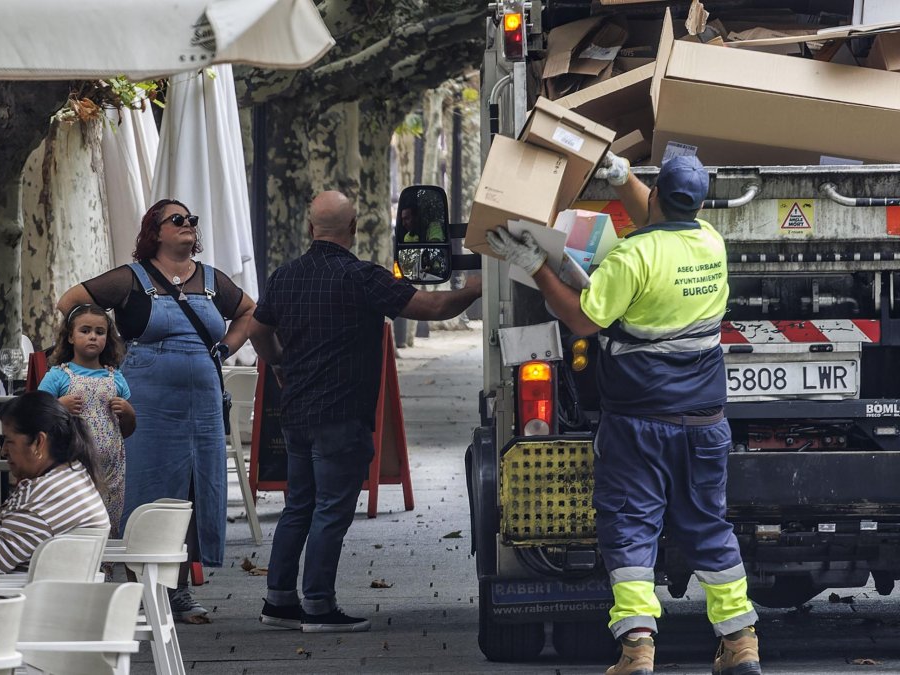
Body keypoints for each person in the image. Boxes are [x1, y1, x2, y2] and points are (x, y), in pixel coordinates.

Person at [486, 153, 760, 675]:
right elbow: (665, 213)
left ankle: (637, 649)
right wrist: (624, 178)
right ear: (698, 203)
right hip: (704, 420)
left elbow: (580, 318)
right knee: (708, 524)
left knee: (632, 528)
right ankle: (740, 641)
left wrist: (536, 265)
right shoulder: (710, 243)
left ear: (656, 198)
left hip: (639, 423)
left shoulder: (631, 258)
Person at [251, 190, 482, 633]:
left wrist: (279, 362)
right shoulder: (361, 277)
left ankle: (279, 601)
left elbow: (259, 330)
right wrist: (472, 290)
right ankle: (318, 605)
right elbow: (430, 307)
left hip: (296, 412)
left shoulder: (285, 276)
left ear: (309, 227)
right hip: (341, 414)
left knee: (298, 505)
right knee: (331, 511)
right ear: (354, 228)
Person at [56, 198, 263, 623]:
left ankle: (179, 591)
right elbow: (69, 302)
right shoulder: (130, 279)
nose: (188, 225)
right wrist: (101, 345)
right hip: (147, 401)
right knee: (146, 489)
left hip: (202, 403)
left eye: (191, 220)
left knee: (192, 491)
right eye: (177, 220)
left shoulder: (211, 281)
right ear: (156, 231)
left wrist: (225, 348)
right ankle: (138, 589)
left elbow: (249, 312)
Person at [0, 391, 110, 574]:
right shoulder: (73, 474)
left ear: (38, 442)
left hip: (21, 597)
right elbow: (17, 540)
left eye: (9, 441)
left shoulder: (44, 497)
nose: (4, 450)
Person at [39, 304, 136, 533]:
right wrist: (58, 406)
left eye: (99, 332)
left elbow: (128, 430)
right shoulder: (58, 376)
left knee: (107, 522)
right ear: (70, 337)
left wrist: (129, 412)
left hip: (111, 470)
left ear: (107, 338)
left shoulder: (117, 378)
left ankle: (105, 568)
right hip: (71, 468)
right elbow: (36, 414)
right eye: (85, 331)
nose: (92, 336)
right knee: (74, 520)